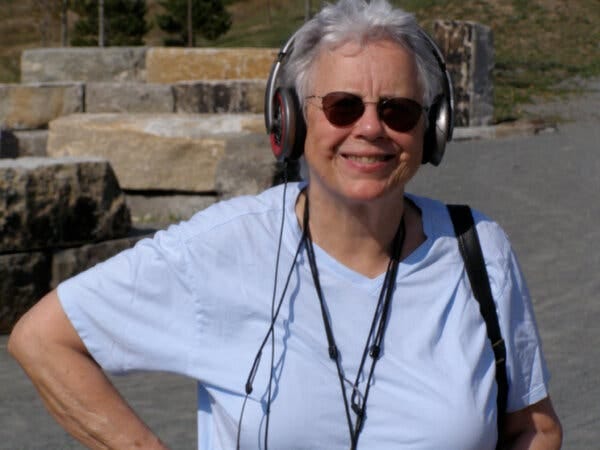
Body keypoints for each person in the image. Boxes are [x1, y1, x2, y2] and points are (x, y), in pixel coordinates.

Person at [8, 0, 562, 449]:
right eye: (342, 107)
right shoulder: (226, 245)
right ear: (290, 121)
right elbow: (44, 339)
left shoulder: (478, 251)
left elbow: (533, 428)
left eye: (398, 110)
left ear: (431, 129)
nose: (370, 128)